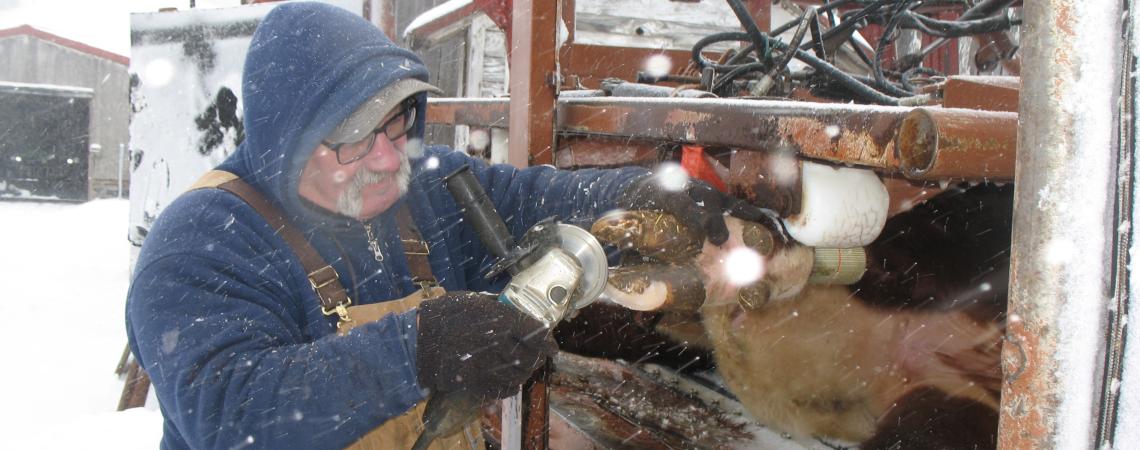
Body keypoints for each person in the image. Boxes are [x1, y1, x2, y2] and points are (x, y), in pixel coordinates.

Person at [125, 3, 754, 449]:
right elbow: (231, 416)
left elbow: (530, 197)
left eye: (398, 125)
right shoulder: (200, 244)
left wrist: (635, 192)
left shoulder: (420, 185)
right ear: (284, 142)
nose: (388, 157)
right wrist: (414, 351)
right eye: (354, 139)